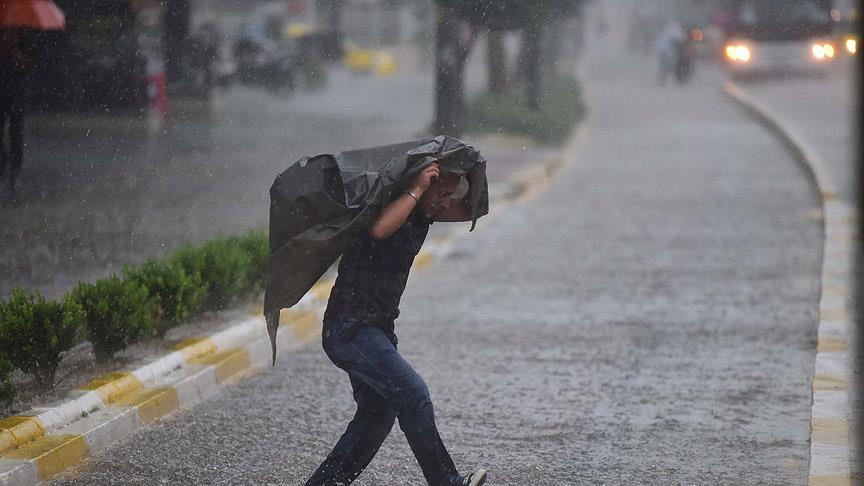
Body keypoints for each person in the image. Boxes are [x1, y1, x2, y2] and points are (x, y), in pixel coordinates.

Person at [306, 163, 487, 486]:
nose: (446, 202)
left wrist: (471, 171)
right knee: (412, 393)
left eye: (449, 194)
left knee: (378, 415)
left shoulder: (424, 212)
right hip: (350, 328)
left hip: (376, 331)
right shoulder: (385, 209)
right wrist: (417, 186)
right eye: (442, 193)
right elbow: (379, 230)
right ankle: (445, 482)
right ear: (422, 184)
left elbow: (471, 210)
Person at [0, 29, 31, 202]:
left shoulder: (25, 35)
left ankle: (14, 174)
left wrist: (20, 58)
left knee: (16, 136)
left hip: (16, 94)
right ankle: (4, 163)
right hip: (4, 92)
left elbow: (32, 61)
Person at [654, 19, 685, 85]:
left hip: (663, 50)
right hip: (667, 51)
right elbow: (680, 39)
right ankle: (663, 79)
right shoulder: (675, 28)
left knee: (663, 65)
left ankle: (662, 79)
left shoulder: (667, 29)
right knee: (667, 64)